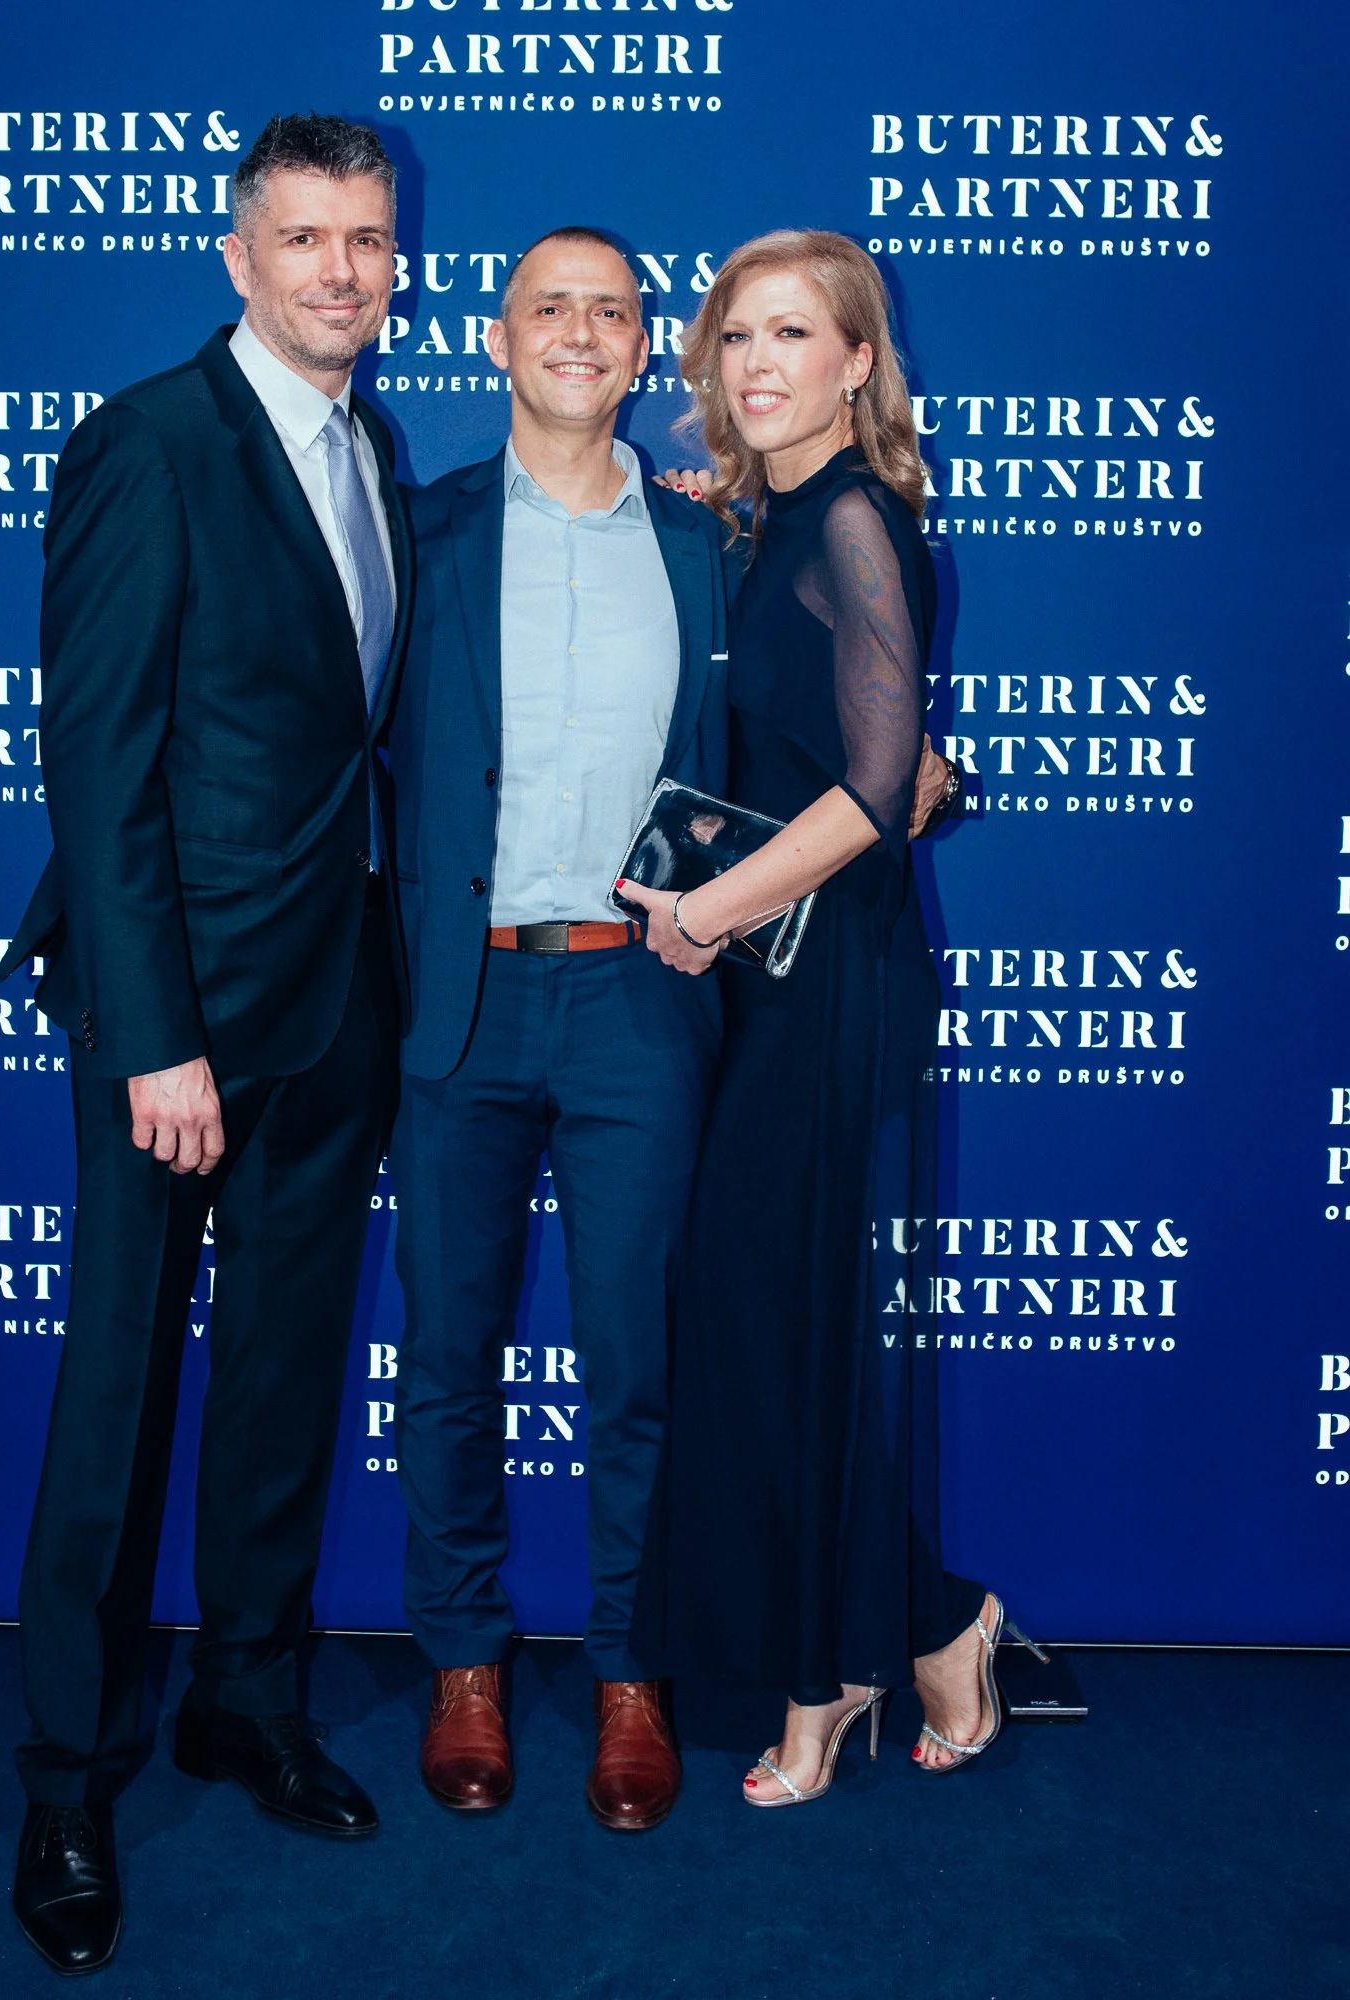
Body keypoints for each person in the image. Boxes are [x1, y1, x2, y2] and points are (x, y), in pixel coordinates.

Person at [387, 225, 957, 1830]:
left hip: (648, 1001)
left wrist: (925, 772)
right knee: (444, 1358)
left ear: (648, 354)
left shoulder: (711, 541)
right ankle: (465, 1666)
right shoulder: (419, 535)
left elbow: (833, 721)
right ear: (499, 340)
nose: (581, 331)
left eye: (613, 311)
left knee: (645, 1361)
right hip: (463, 999)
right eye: (547, 307)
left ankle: (633, 1670)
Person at [0, 115, 411, 1972]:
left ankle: (246, 1700)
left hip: (334, 1008)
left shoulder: (376, 445)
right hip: (173, 1024)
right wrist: (154, 1037)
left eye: (369, 239)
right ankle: (68, 1777)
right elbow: (95, 761)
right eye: (305, 237)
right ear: (234, 256)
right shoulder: (149, 444)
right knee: (118, 1400)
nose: (340, 269)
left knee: (281, 1382)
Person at [624, 231, 1003, 1807]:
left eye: (797, 333)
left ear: (861, 363)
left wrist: (710, 910)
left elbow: (864, 788)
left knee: (789, 1333)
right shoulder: (751, 519)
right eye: (736, 335)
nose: (759, 361)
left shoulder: (855, 520)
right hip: (763, 988)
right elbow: (876, 752)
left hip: (823, 982)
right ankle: (922, 1623)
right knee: (762, 1333)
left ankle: (830, 1681)